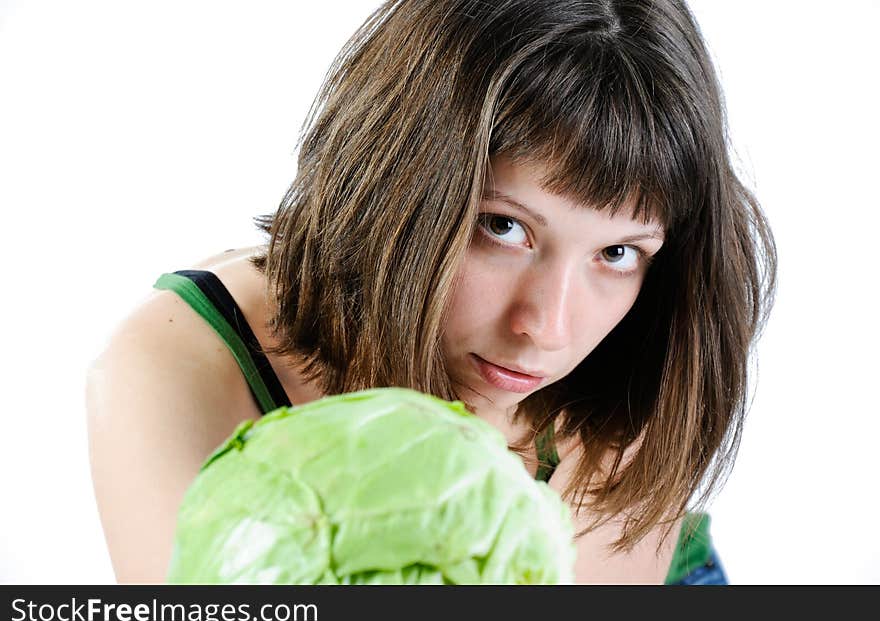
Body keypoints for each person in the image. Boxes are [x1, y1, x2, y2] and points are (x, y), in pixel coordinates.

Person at [86, 0, 776, 584]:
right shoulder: (185, 359)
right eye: (502, 226)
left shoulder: (644, 350)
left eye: (617, 252)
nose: (549, 326)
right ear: (396, 184)